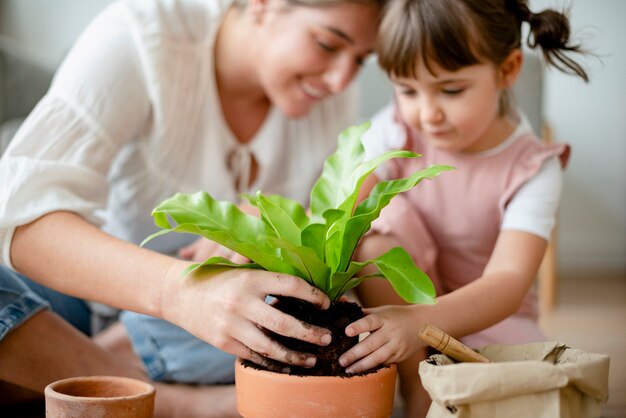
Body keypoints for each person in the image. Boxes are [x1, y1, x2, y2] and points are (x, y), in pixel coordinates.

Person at [0, 0, 387, 416]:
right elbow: (20, 216)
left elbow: (333, 222)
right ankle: (167, 401)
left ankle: (72, 372)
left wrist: (273, 226)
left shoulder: (326, 90)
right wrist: (177, 291)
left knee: (326, 316)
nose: (341, 79)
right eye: (328, 44)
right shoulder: (144, 37)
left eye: (361, 60)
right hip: (75, 303)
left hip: (202, 340)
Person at [337, 0, 589, 417]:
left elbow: (508, 281)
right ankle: (416, 385)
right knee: (374, 239)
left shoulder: (532, 167)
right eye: (406, 90)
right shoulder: (398, 126)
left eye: (451, 90)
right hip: (406, 309)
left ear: (507, 71)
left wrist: (419, 322)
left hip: (488, 316)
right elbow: (345, 210)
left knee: (523, 398)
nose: (427, 113)